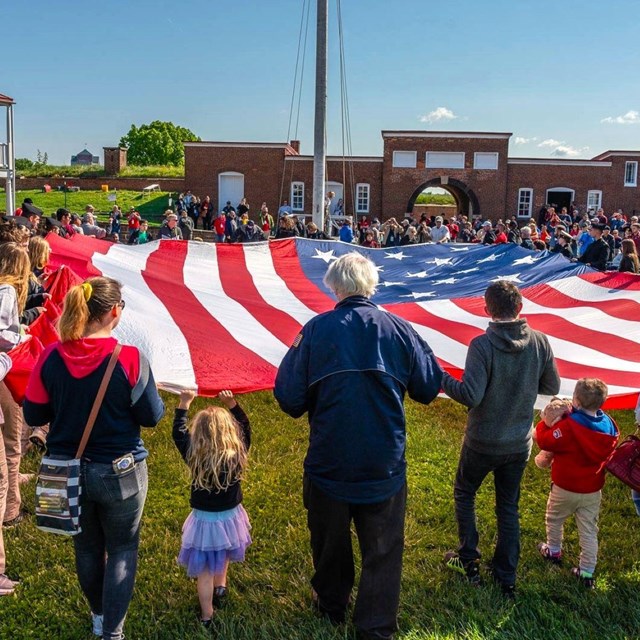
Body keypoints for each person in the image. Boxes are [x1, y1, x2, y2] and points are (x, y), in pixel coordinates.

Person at [274, 253, 442, 640]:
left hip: (331, 456)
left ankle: (332, 603)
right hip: (382, 458)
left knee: (330, 539)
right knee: (382, 548)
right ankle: (375, 626)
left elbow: (288, 398)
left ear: (333, 287)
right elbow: (428, 386)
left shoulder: (317, 330)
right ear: (371, 286)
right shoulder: (399, 329)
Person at [23, 276, 165, 640]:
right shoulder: (130, 358)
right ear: (115, 312)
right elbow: (151, 416)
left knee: (86, 548)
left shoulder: (51, 355)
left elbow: (34, 415)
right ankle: (112, 633)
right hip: (121, 471)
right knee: (122, 548)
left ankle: (100, 616)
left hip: (68, 472)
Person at [441, 280, 560, 596]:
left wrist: (441, 377)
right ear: (520, 308)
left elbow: (470, 395)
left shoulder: (483, 345)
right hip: (518, 442)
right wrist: (520, 387)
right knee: (508, 505)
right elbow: (551, 386)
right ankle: (506, 575)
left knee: (465, 492)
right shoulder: (540, 342)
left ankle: (468, 559)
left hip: (482, 440)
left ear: (486, 309)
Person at [172, 389, 252, 628]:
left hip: (204, 521)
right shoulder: (237, 452)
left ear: (198, 434)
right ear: (231, 433)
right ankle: (222, 586)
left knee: (204, 570)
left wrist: (184, 404)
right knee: (225, 549)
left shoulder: (193, 454)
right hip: (230, 518)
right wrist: (232, 404)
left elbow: (178, 434)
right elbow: (246, 428)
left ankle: (207, 615)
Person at [536, 379, 619, 589]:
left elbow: (546, 441)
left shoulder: (569, 427)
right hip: (592, 489)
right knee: (589, 530)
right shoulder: (609, 427)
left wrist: (544, 423)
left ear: (576, 401)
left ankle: (553, 550)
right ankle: (587, 571)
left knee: (554, 518)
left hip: (565, 487)